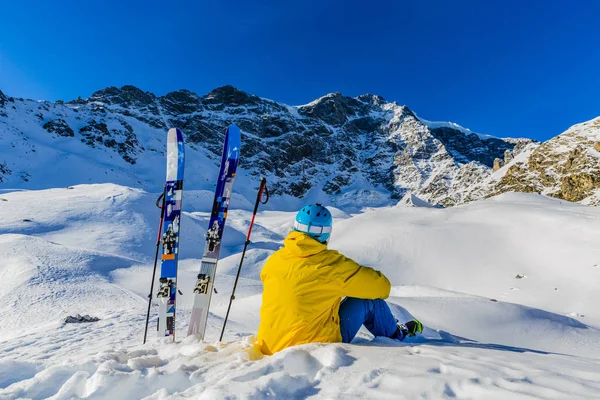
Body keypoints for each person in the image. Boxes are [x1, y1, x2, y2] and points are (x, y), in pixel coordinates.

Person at [256, 204, 422, 355]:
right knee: (368, 302)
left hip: (270, 345)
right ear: (326, 234)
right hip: (312, 345)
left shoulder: (274, 260)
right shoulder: (333, 266)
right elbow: (382, 288)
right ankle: (397, 335)